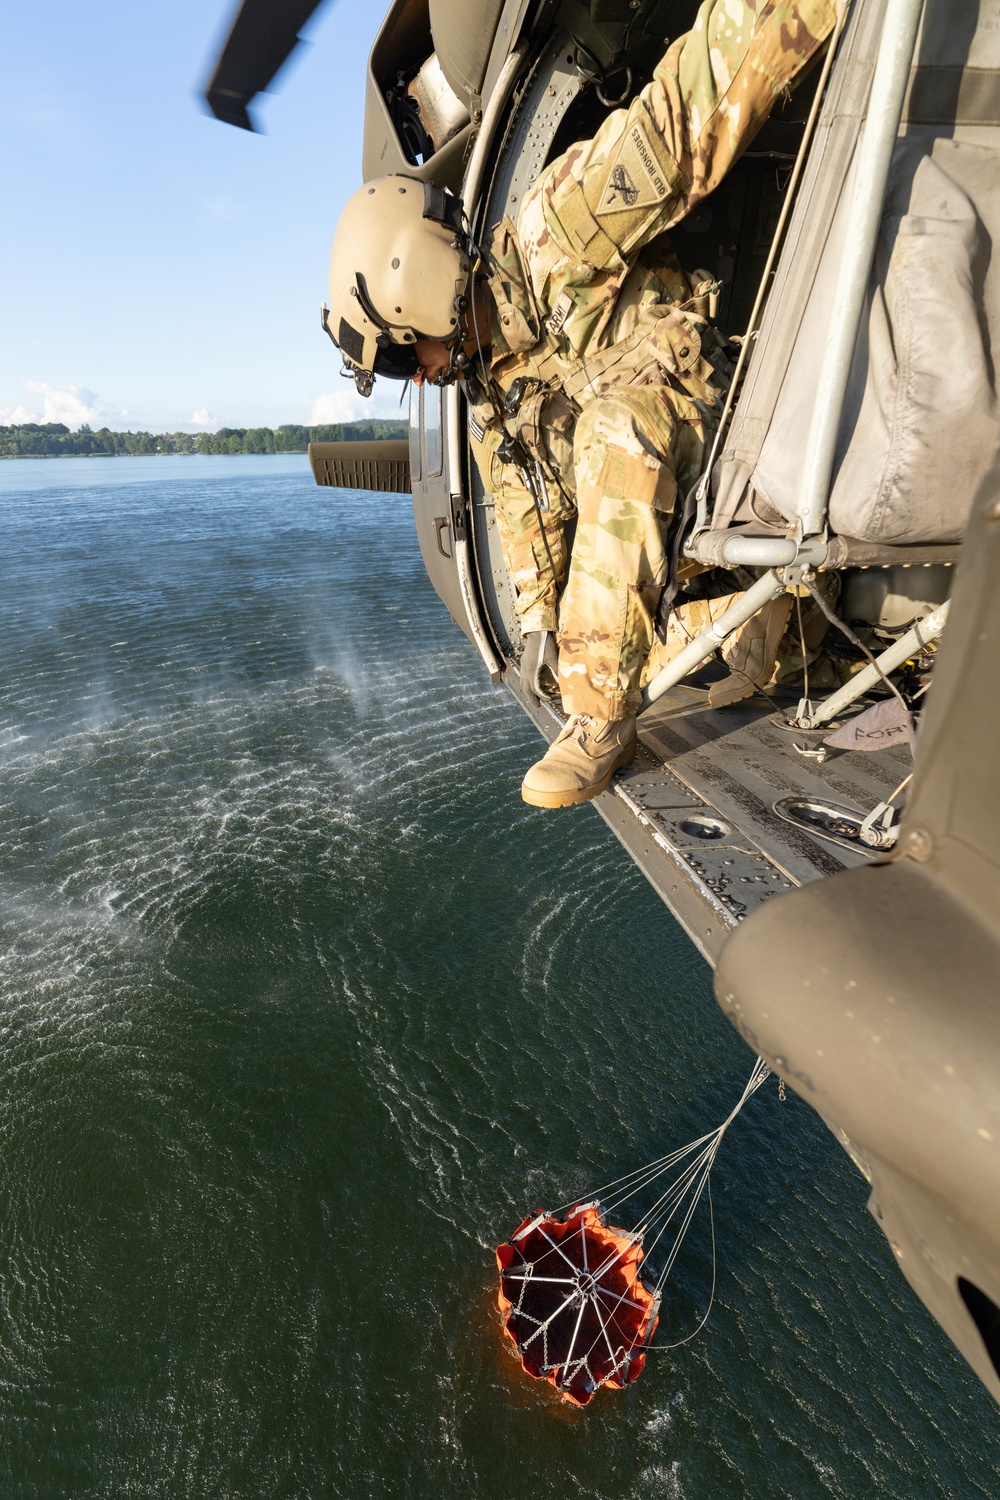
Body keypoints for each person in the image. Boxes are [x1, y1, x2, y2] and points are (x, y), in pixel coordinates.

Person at [324, 0, 838, 806]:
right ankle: (774, 625)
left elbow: (679, 121)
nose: (417, 378)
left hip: (713, 425)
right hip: (660, 502)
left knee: (614, 430)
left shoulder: (557, 232)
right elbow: (523, 508)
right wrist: (540, 626)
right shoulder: (487, 380)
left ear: (417, 286)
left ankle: (601, 721)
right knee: (603, 608)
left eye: (403, 355)